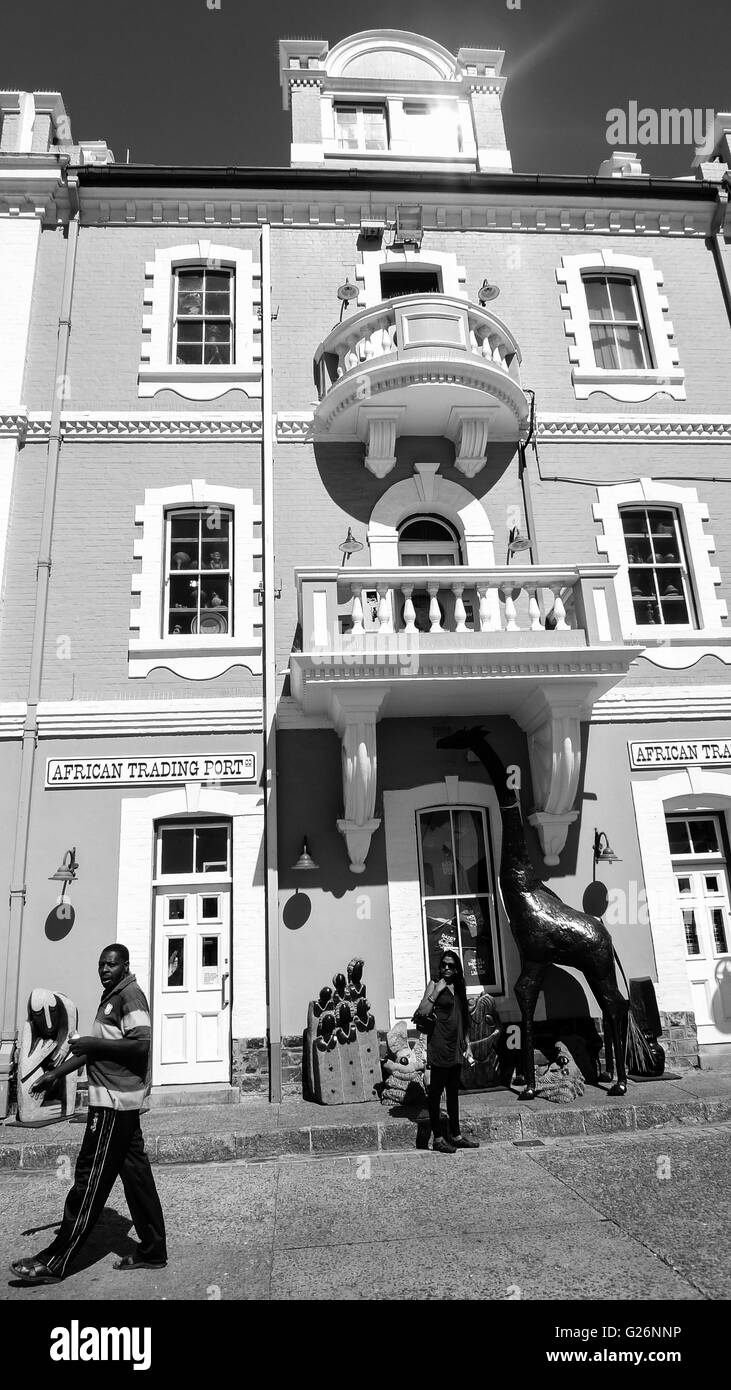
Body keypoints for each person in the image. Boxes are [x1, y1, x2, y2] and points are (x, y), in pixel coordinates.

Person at [10, 944, 167, 1285]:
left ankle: (56, 1260)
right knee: (138, 1182)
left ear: (125, 966)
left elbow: (141, 1045)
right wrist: (56, 1073)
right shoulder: (111, 996)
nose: (104, 969)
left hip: (112, 1104)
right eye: (101, 964)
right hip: (117, 1105)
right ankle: (154, 1251)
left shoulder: (130, 997)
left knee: (89, 1180)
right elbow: (97, 1050)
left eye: (111, 964)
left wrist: (93, 1046)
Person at [417, 950, 480, 1154]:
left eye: (451, 965)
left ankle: (456, 1135)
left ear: (457, 968)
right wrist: (436, 992)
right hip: (439, 1044)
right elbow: (422, 1011)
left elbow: (464, 1018)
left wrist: (468, 1044)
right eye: (444, 964)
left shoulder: (460, 986)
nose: (446, 968)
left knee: (453, 1094)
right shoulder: (435, 983)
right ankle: (437, 1139)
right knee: (435, 1094)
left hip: (456, 1047)